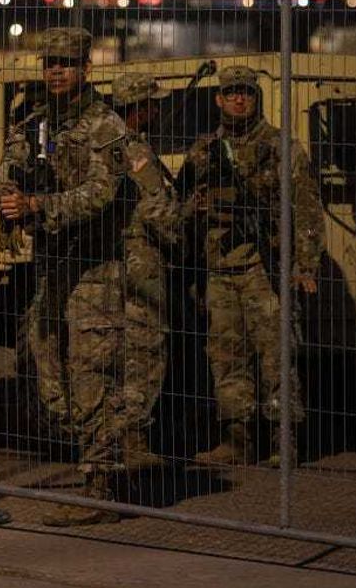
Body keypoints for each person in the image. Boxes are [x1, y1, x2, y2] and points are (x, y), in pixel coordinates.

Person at [0, 27, 133, 526]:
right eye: (49, 63)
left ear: (85, 68)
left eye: (65, 63)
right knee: (49, 378)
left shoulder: (106, 128)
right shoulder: (34, 127)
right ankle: (97, 466)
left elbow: (102, 194)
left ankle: (101, 485)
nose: (56, 71)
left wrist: (40, 205)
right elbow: (1, 186)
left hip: (96, 272)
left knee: (90, 378)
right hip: (52, 272)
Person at [175, 65, 324, 467]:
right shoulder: (203, 151)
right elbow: (179, 211)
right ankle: (238, 438)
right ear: (219, 99)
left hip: (264, 268)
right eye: (232, 92)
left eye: (247, 92)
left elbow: (308, 211)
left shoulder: (281, 148)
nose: (240, 99)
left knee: (276, 355)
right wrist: (196, 210)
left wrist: (304, 265)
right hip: (218, 270)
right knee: (227, 356)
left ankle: (283, 439)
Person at [108, 72, 180, 471]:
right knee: (144, 348)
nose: (157, 110)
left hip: (109, 264)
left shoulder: (101, 142)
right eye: (152, 104)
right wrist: (183, 230)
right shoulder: (134, 150)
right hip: (140, 263)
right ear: (139, 108)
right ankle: (132, 440)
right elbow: (158, 213)